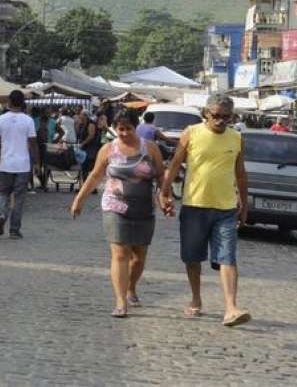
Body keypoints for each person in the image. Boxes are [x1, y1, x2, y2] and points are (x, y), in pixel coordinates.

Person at [160, 93, 251, 328]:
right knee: (192, 257)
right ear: (206, 115)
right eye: (216, 116)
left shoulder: (236, 138)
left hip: (226, 208)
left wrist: (244, 203)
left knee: (227, 257)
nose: (221, 121)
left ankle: (231, 307)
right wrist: (164, 191)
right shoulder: (191, 133)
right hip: (194, 206)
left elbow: (240, 173)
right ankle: (196, 298)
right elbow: (175, 164)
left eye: (226, 117)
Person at [70, 110, 165, 318]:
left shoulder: (150, 149)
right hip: (115, 206)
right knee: (120, 253)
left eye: (128, 129)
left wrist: (164, 198)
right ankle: (121, 301)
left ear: (136, 127)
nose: (123, 133)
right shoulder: (108, 149)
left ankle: (131, 287)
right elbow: (95, 176)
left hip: (144, 209)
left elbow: (160, 176)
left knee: (139, 257)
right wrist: (79, 199)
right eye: (120, 129)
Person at [0, 90, 38, 239]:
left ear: (9, 102)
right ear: (22, 103)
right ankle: (14, 230)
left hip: (6, 163)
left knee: (3, 193)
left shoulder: (1, 119)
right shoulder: (28, 120)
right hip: (23, 165)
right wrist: (36, 162)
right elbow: (33, 144)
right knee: (19, 198)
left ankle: (1, 215)